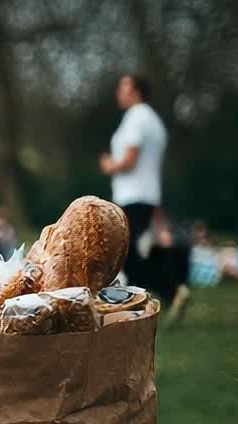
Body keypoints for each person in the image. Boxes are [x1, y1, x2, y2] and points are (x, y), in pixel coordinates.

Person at [101, 74, 167, 286]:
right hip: (148, 193)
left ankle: (145, 295)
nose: (118, 93)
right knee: (137, 247)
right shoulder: (154, 120)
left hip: (133, 194)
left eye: (123, 88)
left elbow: (130, 159)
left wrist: (110, 165)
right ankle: (167, 288)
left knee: (126, 251)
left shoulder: (136, 117)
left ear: (136, 92)